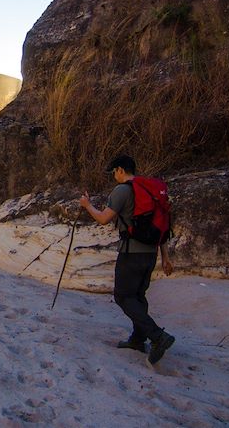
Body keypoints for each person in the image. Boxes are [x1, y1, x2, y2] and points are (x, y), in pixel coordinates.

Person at [80, 155, 175, 365]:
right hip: (150, 253)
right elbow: (161, 227)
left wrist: (87, 205)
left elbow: (103, 219)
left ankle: (158, 336)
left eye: (114, 171)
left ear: (121, 170)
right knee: (138, 296)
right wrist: (165, 258)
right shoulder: (150, 191)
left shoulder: (122, 191)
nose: (114, 175)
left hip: (131, 253)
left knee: (123, 296)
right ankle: (138, 339)